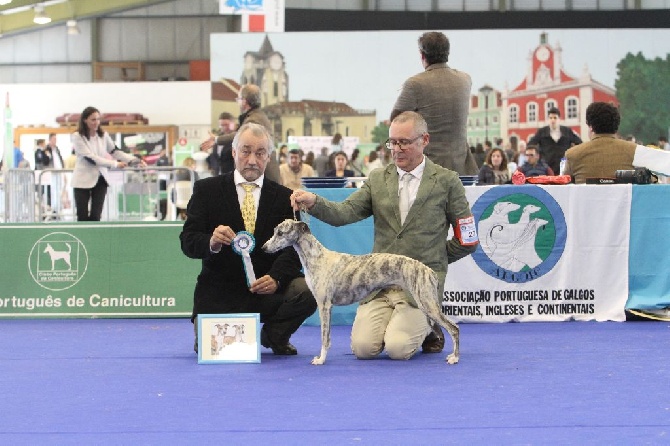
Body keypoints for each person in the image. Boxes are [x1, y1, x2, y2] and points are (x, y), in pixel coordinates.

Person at [290, 111, 478, 361]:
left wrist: (435, 261)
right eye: (392, 142)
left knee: (398, 349)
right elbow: (345, 213)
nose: (396, 149)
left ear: (424, 140)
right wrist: (314, 202)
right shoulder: (378, 179)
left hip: (416, 285)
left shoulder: (447, 181)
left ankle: (430, 328)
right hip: (378, 286)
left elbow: (468, 239)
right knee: (363, 349)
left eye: (404, 142)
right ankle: (411, 324)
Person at [180, 122, 317, 356]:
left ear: (269, 157)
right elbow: (188, 241)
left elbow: (295, 250)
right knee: (209, 349)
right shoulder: (206, 190)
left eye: (260, 153)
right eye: (245, 151)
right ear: (233, 152)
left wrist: (276, 278)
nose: (252, 160)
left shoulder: (285, 197)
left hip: (267, 293)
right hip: (219, 294)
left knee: (309, 289)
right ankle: (212, 332)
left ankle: (274, 336)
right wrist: (211, 242)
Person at [390, 31, 478, 175]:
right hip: (462, 165)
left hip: (427, 169)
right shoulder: (465, 80)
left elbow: (397, 120)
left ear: (422, 55)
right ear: (447, 53)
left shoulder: (415, 84)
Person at [71, 106, 145, 221]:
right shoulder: (77, 136)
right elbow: (90, 158)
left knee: (96, 216)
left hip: (101, 180)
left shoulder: (103, 135)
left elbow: (115, 151)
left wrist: (135, 160)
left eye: (98, 119)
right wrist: (114, 164)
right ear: (85, 120)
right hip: (82, 180)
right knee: (82, 217)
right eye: (93, 120)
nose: (96, 122)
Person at [200, 84, 280, 182]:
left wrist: (217, 139)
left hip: (264, 175)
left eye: (238, 99)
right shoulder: (256, 116)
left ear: (244, 101)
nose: (238, 102)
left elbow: (240, 135)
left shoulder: (254, 118)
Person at [563, 102, 637, 184]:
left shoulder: (572, 154)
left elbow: (564, 188)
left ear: (590, 126)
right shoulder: (635, 151)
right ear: (616, 126)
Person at [528, 106, 582, 175]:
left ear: (559, 119)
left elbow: (579, 143)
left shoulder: (567, 131)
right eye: (550, 118)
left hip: (564, 167)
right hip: (546, 168)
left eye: (555, 118)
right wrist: (538, 156)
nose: (552, 120)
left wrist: (572, 155)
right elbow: (530, 144)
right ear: (548, 119)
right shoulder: (542, 132)